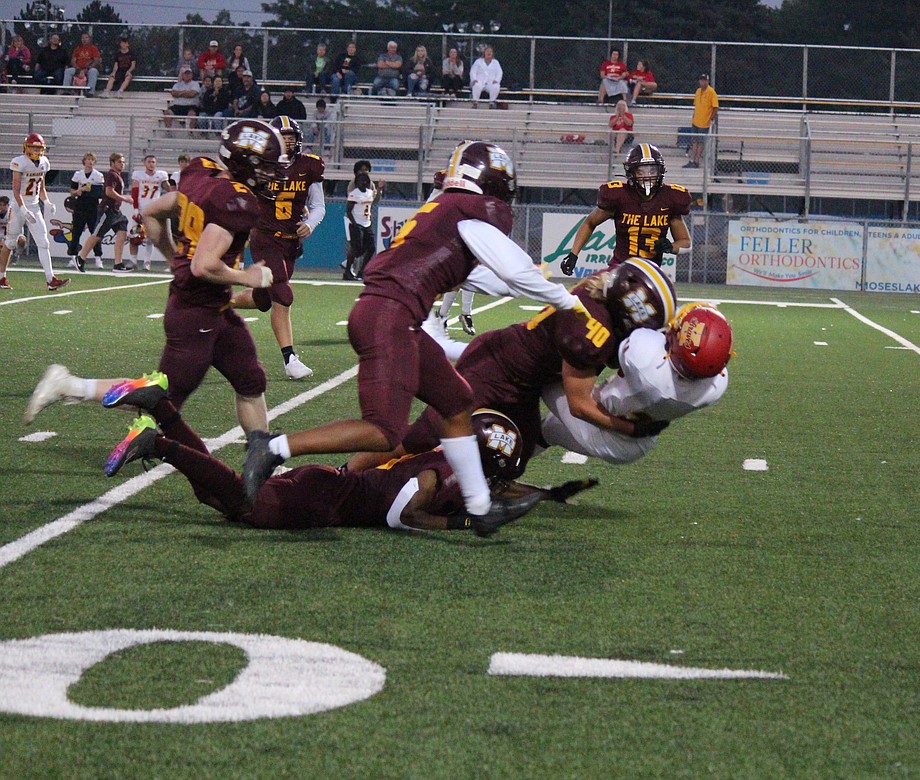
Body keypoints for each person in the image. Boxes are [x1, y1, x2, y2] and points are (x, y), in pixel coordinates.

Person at [241, 140, 596, 523]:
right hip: (390, 315)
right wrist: (569, 302)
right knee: (382, 431)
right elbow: (512, 269)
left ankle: (480, 507)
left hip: (394, 314)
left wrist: (536, 288)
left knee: (458, 402)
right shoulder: (470, 210)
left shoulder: (448, 210)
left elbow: (486, 277)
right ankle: (272, 446)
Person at [24, 121, 290, 441]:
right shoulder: (236, 201)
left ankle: (262, 454)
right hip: (196, 312)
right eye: (267, 167)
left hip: (215, 309)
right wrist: (246, 275)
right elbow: (204, 265)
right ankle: (69, 385)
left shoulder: (201, 171)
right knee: (160, 399)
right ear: (245, 163)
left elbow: (151, 212)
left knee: (250, 382)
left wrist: (171, 256)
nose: (272, 175)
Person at [104, 401, 588, 537]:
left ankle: (164, 412)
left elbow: (497, 486)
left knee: (218, 496)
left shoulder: (452, 466)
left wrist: (545, 494)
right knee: (234, 500)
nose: (500, 485)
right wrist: (462, 524)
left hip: (328, 485)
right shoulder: (437, 475)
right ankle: (158, 442)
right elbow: (405, 514)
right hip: (327, 499)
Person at [395, 259, 678, 478]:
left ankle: (446, 482)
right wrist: (628, 429)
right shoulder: (593, 332)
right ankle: (355, 474)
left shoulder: (604, 289)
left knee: (513, 461)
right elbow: (579, 406)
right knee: (422, 436)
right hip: (497, 368)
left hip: (528, 381)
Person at [541, 303, 732, 464]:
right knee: (548, 430)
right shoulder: (716, 386)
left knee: (538, 369)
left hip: (603, 425)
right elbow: (698, 351)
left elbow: (606, 350)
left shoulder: (644, 357)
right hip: (640, 443)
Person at [229, 116, 325, 381]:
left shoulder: (309, 166)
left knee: (263, 300)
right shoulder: (258, 164)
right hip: (265, 237)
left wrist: (310, 224)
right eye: (282, 137)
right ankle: (289, 359)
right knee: (283, 293)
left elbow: (319, 205)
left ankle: (219, 302)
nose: (288, 142)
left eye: (291, 137)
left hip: (291, 241)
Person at [560, 144, 691, 276]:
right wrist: (573, 254)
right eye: (641, 172)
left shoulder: (670, 198)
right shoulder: (620, 196)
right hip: (619, 270)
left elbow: (686, 242)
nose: (647, 177)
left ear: (660, 171)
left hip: (650, 273)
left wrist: (671, 247)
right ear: (632, 172)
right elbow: (590, 222)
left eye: (652, 171)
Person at [0, 134, 67, 291]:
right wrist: (23, 208)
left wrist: (48, 202)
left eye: (39, 147)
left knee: (44, 242)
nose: (36, 150)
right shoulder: (19, 162)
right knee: (10, 243)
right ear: (26, 147)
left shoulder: (44, 162)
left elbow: (41, 188)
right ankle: (1, 277)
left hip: (35, 207)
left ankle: (50, 279)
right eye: (33, 147)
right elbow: (16, 191)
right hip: (18, 207)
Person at [73, 152, 132, 272]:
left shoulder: (117, 176)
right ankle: (81, 258)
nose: (122, 164)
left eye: (123, 162)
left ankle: (118, 263)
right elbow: (109, 192)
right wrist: (124, 198)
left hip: (115, 210)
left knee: (122, 231)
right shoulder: (111, 175)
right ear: (113, 163)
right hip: (107, 209)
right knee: (97, 235)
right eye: (119, 162)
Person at [127, 154, 170, 272]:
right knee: (134, 236)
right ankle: (133, 261)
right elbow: (135, 192)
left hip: (154, 211)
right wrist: (135, 210)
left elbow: (169, 189)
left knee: (150, 238)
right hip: (141, 209)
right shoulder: (138, 175)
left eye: (153, 162)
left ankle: (147, 262)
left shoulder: (161, 175)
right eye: (149, 162)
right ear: (144, 163)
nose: (151, 164)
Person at [65, 152, 105, 267]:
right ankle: (73, 257)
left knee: (95, 233)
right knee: (76, 232)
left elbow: (100, 193)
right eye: (88, 159)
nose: (90, 162)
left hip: (93, 206)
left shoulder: (98, 175)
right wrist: (78, 191)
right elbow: (72, 191)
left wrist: (89, 190)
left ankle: (98, 258)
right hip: (80, 205)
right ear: (84, 161)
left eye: (92, 159)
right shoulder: (78, 175)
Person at [344, 171, 378, 280]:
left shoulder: (369, 192)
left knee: (371, 248)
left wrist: (380, 189)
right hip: (356, 223)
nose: (363, 183)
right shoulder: (354, 194)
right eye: (361, 181)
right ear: (357, 183)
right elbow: (349, 211)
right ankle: (347, 271)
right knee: (355, 248)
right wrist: (355, 225)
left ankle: (362, 271)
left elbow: (374, 202)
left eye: (365, 181)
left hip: (366, 223)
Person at [685, 73, 718, 168]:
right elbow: (696, 105)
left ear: (707, 81)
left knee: (700, 142)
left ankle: (697, 160)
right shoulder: (698, 91)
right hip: (696, 120)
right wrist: (694, 115)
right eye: (701, 80)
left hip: (704, 122)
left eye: (704, 80)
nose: (703, 82)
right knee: (694, 141)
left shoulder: (711, 92)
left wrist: (711, 118)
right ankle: (692, 160)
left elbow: (715, 107)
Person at [163, 66, 201, 130]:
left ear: (191, 75)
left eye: (189, 74)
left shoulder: (195, 84)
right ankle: (168, 131)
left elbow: (192, 94)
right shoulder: (177, 84)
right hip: (178, 106)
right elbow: (174, 93)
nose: (187, 75)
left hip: (190, 106)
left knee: (193, 114)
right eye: (185, 74)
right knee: (167, 112)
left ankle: (190, 132)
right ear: (182, 75)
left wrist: (180, 93)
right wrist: (186, 92)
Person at [62, 32, 101, 96]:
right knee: (68, 71)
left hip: (89, 69)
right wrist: (77, 68)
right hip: (78, 68)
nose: (84, 39)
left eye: (86, 38)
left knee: (93, 71)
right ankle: (66, 90)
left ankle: (90, 92)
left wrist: (88, 68)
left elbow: (96, 61)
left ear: (89, 39)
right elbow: (73, 60)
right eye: (82, 38)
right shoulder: (78, 48)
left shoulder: (93, 48)